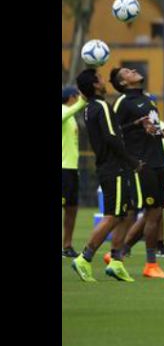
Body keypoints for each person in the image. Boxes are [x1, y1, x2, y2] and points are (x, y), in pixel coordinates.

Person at [71, 68, 142, 282]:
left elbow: (112, 133)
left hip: (109, 166)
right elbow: (112, 137)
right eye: (100, 78)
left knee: (126, 212)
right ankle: (84, 258)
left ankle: (116, 261)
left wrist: (133, 126)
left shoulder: (89, 108)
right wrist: (132, 161)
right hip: (114, 167)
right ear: (95, 85)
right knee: (113, 215)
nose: (104, 81)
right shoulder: (101, 105)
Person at [102, 68, 164, 278]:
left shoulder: (148, 99)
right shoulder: (123, 102)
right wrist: (136, 125)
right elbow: (113, 132)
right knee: (150, 212)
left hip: (158, 159)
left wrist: (161, 131)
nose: (133, 70)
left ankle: (120, 252)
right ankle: (150, 265)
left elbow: (148, 129)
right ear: (123, 82)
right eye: (127, 71)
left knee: (156, 213)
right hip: (141, 163)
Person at [62, 86, 87, 258]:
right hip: (63, 168)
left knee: (72, 208)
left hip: (71, 169)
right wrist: (83, 100)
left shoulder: (70, 116)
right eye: (77, 96)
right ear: (72, 97)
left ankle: (67, 246)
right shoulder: (64, 111)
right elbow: (73, 109)